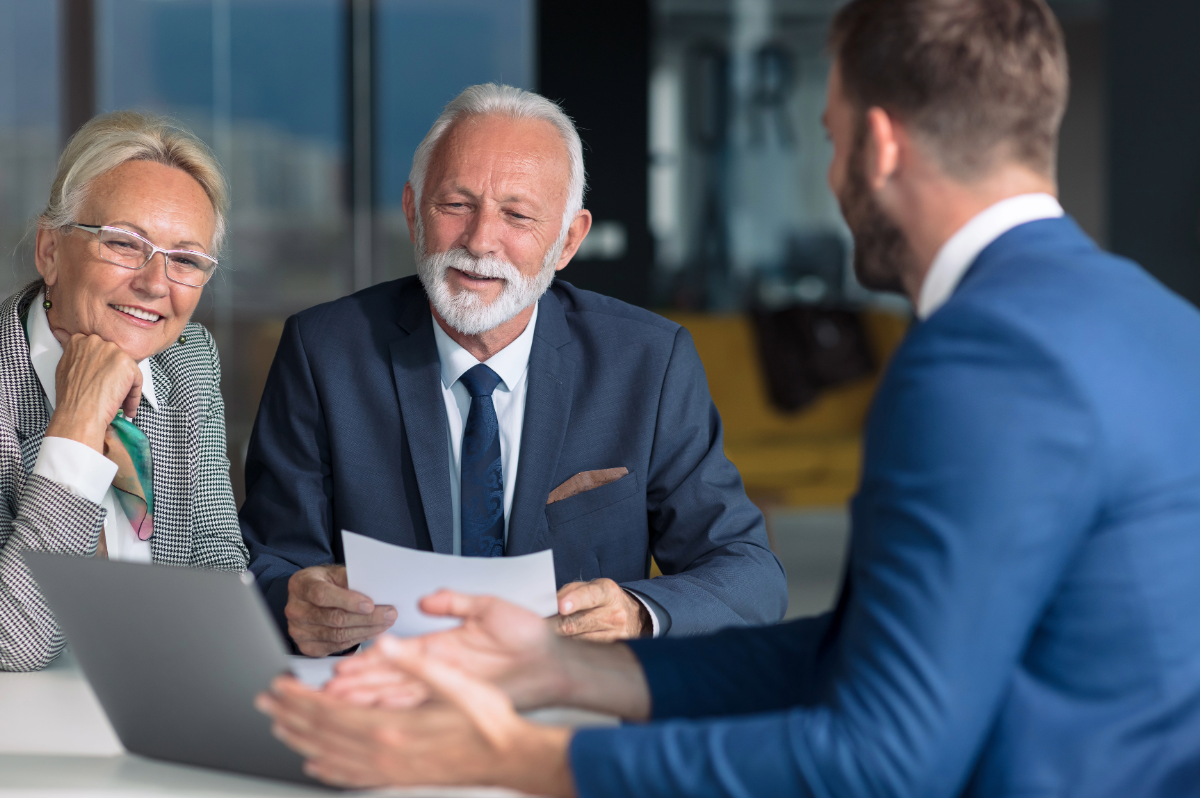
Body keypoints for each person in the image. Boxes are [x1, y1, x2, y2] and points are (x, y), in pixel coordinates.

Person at [256, 0, 1200, 795]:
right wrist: (571, 669)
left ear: (877, 147)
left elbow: (880, 755)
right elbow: (870, 652)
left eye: (829, 138)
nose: (829, 176)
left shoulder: (978, 358)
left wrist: (525, 758)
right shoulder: (1160, 324)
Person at [239, 84, 787, 657]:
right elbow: (271, 560)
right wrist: (294, 604)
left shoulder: (648, 362)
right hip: (387, 687)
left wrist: (636, 613)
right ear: (412, 211)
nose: (480, 242)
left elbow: (751, 576)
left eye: (517, 215)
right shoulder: (323, 351)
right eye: (456, 206)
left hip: (570, 694)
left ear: (568, 240)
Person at [0, 111, 249, 672]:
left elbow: (217, 557)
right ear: (50, 251)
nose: (155, 283)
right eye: (124, 243)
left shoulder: (187, 360)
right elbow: (14, 643)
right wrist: (78, 423)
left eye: (185, 259)